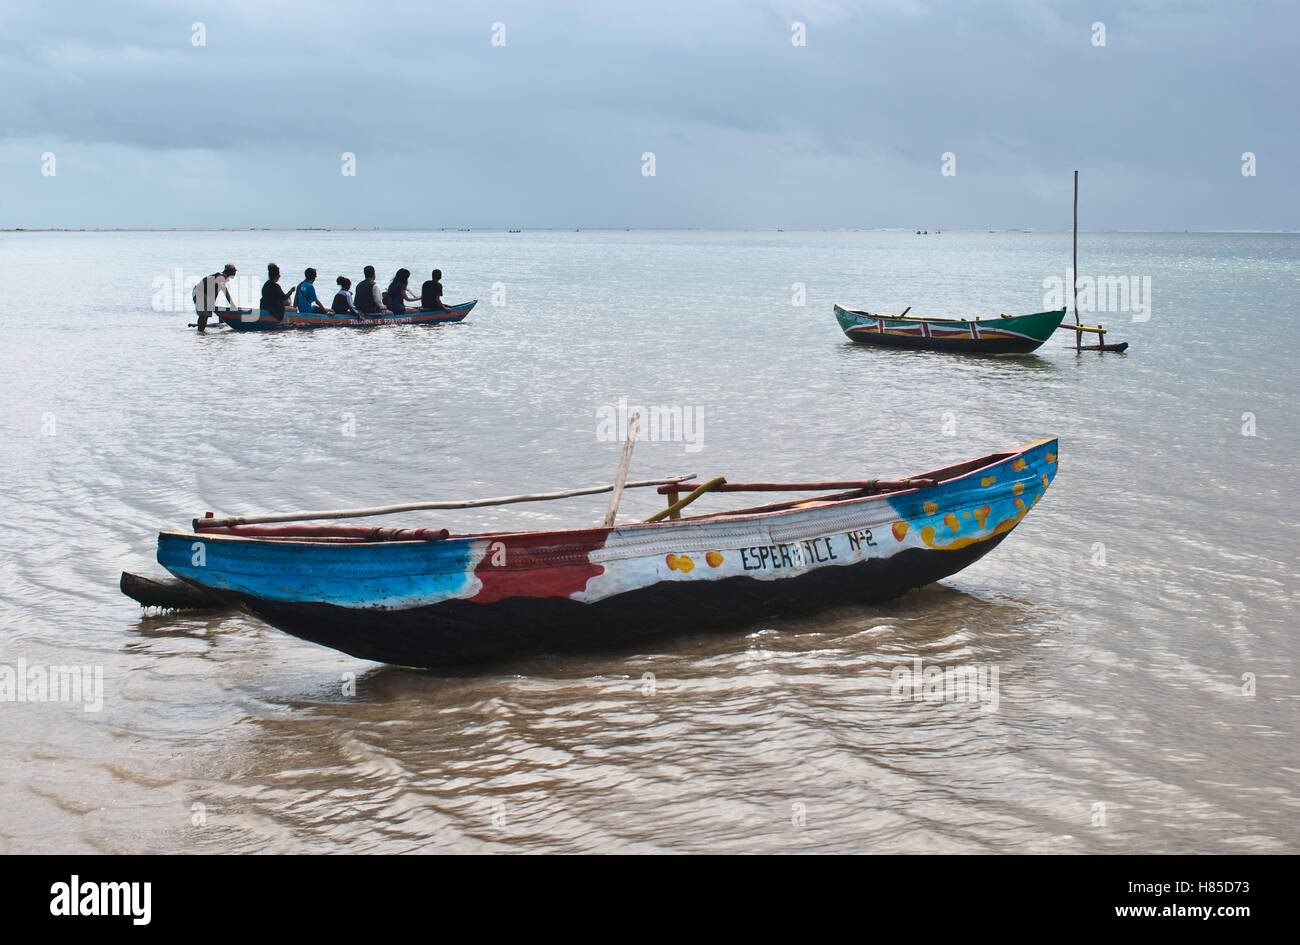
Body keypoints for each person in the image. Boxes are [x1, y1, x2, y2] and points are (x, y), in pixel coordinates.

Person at [192, 263, 237, 332]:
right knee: (204, 315)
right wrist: (233, 305)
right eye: (234, 271)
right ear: (229, 271)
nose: (235, 273)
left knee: (205, 315)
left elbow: (213, 292)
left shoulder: (221, 277)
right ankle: (200, 332)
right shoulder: (221, 277)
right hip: (200, 293)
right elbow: (226, 293)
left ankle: (201, 334)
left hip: (199, 293)